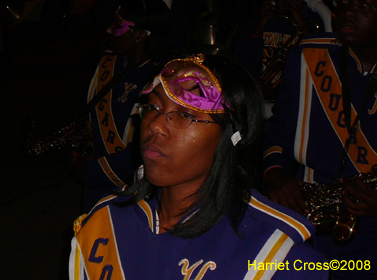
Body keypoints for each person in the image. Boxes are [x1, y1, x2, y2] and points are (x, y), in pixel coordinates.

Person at [70, 54, 327, 279]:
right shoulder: (106, 222)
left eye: (185, 115)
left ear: (232, 135)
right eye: (153, 107)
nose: (155, 125)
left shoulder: (278, 257)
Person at [263, 0, 377, 279]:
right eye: (343, 4)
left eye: (364, 6)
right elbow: (280, 128)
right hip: (306, 214)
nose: (347, 14)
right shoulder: (308, 54)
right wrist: (276, 174)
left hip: (371, 230)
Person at [74, 0, 172, 212]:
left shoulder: (158, 83)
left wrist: (89, 172)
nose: (110, 30)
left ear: (138, 35)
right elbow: (86, 114)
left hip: (128, 193)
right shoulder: (108, 64)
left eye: (118, 26)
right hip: (94, 189)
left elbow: (144, 148)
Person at [235, 0, 323, 102]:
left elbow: (320, 61)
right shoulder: (264, 16)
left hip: (295, 96)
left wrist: (302, 24)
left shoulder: (313, 19)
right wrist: (257, 30)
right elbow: (243, 61)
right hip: (261, 94)